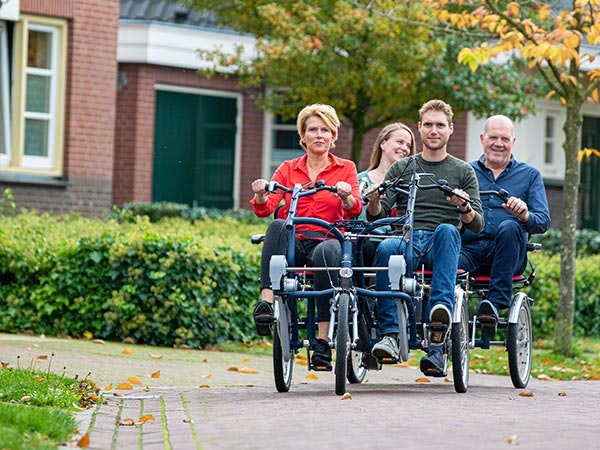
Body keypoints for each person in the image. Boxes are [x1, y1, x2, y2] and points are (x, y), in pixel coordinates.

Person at [365, 99, 484, 377]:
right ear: (419, 128)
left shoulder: (463, 171)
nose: (434, 130)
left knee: (448, 230)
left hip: (440, 241)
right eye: (428, 124)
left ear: (450, 129)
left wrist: (463, 206)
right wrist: (373, 201)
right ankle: (390, 335)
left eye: (440, 125)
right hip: (405, 238)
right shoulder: (402, 168)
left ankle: (438, 324)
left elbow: (477, 224)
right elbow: (377, 214)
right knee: (385, 247)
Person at [250, 103, 362, 370]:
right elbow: (265, 207)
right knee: (277, 225)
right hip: (295, 241)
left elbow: (355, 207)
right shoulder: (288, 169)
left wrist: (345, 195)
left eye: (325, 130)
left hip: (327, 238)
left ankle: (323, 341)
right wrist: (260, 194)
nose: (319, 135)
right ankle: (266, 305)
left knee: (326, 253)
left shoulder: (345, 168)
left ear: (333, 137)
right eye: (313, 129)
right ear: (303, 136)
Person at [459, 115, 550, 338]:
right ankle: (441, 326)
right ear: (482, 139)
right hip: (470, 250)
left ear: (513, 142)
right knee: (445, 256)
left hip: (508, 253)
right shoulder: (465, 172)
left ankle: (494, 304)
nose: (498, 143)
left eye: (504, 138)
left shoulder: (529, 176)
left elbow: (543, 221)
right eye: (493, 137)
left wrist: (525, 215)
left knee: (510, 226)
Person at [357, 122, 416, 266]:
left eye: (408, 146)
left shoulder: (411, 184)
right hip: (363, 243)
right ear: (383, 144)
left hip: (394, 244)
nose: (404, 149)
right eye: (400, 142)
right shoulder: (360, 180)